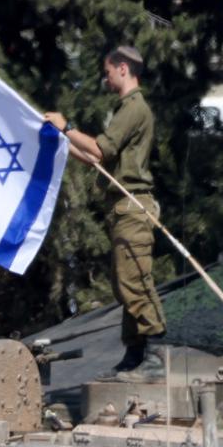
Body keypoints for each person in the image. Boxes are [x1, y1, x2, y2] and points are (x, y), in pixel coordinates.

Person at [44, 44, 166, 373]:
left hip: (133, 206)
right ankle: (135, 351)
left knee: (135, 280)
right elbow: (97, 159)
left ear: (123, 69)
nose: (105, 79)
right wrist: (62, 141)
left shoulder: (134, 108)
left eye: (108, 72)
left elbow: (101, 148)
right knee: (123, 282)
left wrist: (66, 126)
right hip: (120, 207)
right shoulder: (126, 108)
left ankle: (155, 350)